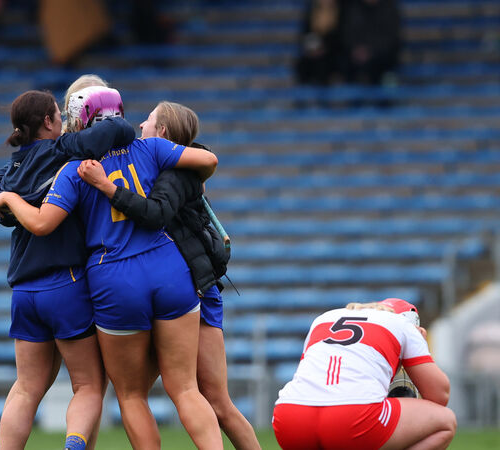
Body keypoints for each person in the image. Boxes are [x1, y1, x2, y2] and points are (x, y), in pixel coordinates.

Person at [0, 86, 223, 449]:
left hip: (113, 277)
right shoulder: (150, 147)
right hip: (167, 267)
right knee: (187, 389)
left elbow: (41, 223)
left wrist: (6, 197)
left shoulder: (72, 170)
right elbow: (208, 162)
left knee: (131, 395)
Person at [78, 100, 261, 450]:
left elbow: (156, 213)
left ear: (162, 133)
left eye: (148, 121)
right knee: (143, 392)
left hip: (193, 288)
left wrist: (105, 185)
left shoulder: (175, 171)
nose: (141, 126)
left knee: (213, 400)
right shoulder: (159, 161)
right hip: (170, 286)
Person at [0, 89, 136, 450]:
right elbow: (120, 131)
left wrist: (3, 197)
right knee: (88, 384)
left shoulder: (10, 174)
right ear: (49, 123)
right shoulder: (63, 150)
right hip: (63, 283)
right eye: (59, 117)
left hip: (23, 291)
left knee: (25, 387)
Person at [272, 298, 457, 449]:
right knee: (446, 421)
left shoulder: (324, 318)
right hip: (353, 417)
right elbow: (440, 395)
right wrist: (420, 348)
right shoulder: (402, 323)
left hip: (289, 417)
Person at [339, 0, 402, 85]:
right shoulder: (353, 9)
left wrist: (370, 51)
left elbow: (391, 38)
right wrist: (356, 49)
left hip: (382, 59)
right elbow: (348, 34)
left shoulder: (389, 9)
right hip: (355, 58)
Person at [294, 0, 343, 86]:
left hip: (331, 52)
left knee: (324, 65)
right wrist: (312, 49)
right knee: (302, 65)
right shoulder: (311, 13)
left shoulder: (341, 12)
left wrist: (324, 48)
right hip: (313, 49)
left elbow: (340, 36)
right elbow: (306, 34)